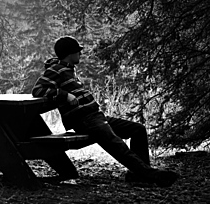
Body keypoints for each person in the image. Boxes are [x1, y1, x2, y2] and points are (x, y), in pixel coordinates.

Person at [31, 36, 179, 187]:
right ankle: (151, 175)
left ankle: (139, 173)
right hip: (84, 119)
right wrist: (65, 96)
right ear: (70, 53)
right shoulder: (55, 70)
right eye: (78, 51)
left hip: (95, 116)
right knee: (116, 144)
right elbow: (38, 90)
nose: (80, 54)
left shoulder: (68, 70)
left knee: (137, 130)